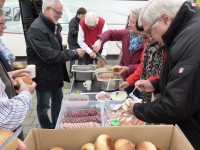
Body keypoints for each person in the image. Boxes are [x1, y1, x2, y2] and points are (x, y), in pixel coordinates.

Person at [125, 0, 200, 149]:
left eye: (149, 32)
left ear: (165, 19)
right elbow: (185, 79)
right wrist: (155, 84)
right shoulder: (185, 30)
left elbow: (176, 106)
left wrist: (137, 109)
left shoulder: (193, 38)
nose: (149, 39)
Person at [26, 0, 85, 129]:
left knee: (58, 101)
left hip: (55, 74)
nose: (60, 16)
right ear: (48, 9)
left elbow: (58, 49)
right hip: (43, 77)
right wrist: (73, 53)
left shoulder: (53, 25)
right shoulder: (36, 29)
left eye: (61, 13)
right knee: (43, 106)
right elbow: (49, 55)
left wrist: (72, 51)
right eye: (58, 13)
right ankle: (47, 130)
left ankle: (57, 126)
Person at [92, 8, 144, 94]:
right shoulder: (126, 33)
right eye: (128, 21)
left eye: (132, 22)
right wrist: (100, 41)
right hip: (126, 77)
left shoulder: (147, 40)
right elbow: (110, 33)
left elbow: (144, 65)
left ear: (141, 24)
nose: (128, 24)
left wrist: (128, 68)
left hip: (140, 80)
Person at [119, 36, 165, 102]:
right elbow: (142, 66)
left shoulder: (166, 47)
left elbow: (167, 73)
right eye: (142, 36)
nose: (143, 40)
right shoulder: (147, 45)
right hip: (149, 87)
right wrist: (129, 81)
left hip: (161, 90)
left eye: (146, 36)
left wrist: (151, 83)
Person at [68, 7, 87, 78]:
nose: (84, 17)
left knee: (81, 57)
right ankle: (71, 72)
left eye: (84, 15)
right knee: (72, 57)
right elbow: (72, 32)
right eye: (82, 15)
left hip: (80, 42)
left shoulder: (83, 21)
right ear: (78, 14)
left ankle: (79, 71)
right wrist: (81, 32)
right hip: (73, 42)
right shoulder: (73, 21)